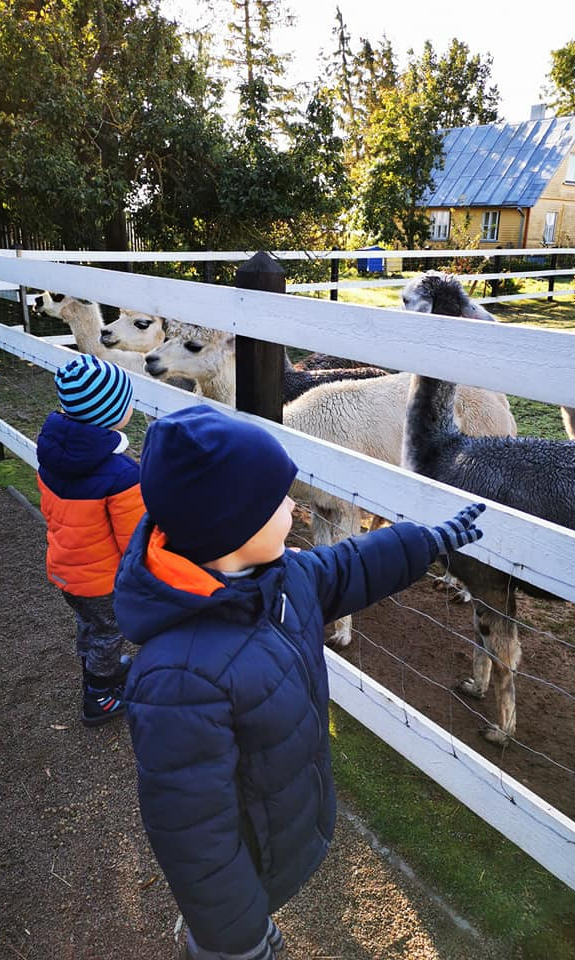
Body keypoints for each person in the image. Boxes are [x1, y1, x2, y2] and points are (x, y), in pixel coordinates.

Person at [114, 404, 485, 960]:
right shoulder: (178, 679)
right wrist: (234, 937)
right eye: (277, 499)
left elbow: (347, 567)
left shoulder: (280, 575)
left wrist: (424, 543)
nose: (292, 504)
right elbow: (194, 838)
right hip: (239, 883)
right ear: (234, 527)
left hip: (280, 826)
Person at [36, 353, 145, 727]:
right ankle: (100, 695)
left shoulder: (52, 456)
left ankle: (98, 668)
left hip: (67, 568)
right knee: (110, 630)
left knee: (90, 624)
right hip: (101, 579)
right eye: (127, 401)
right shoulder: (121, 474)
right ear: (111, 412)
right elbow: (134, 539)